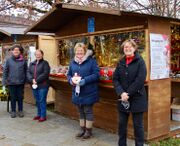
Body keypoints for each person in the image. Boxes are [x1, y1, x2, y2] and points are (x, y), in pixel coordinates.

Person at [113, 39, 147, 146]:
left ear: (134, 48)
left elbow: (140, 80)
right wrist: (121, 92)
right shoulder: (120, 62)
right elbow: (115, 79)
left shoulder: (140, 61)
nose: (127, 49)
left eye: (129, 47)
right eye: (125, 47)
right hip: (123, 98)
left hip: (137, 97)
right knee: (122, 125)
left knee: (138, 126)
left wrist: (127, 93)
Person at [67, 42, 100, 139]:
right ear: (75, 52)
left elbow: (96, 75)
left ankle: (88, 131)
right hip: (77, 91)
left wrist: (85, 80)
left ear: (85, 51)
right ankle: (82, 129)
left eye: (81, 51)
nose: (79, 53)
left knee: (88, 111)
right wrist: (70, 80)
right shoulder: (72, 62)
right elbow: (69, 74)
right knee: (80, 111)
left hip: (88, 91)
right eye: (77, 51)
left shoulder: (91, 61)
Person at [2, 44, 27, 118]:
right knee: (12, 98)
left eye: (17, 50)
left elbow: (26, 71)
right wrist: (4, 82)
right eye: (14, 50)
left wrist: (26, 81)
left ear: (20, 52)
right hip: (11, 83)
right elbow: (5, 72)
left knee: (20, 97)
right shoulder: (8, 60)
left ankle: (20, 110)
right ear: (12, 51)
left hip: (20, 82)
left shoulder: (23, 60)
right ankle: (13, 111)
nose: (16, 51)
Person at [27, 49, 50, 122]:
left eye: (39, 54)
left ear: (42, 55)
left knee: (42, 100)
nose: (38, 55)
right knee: (37, 101)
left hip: (43, 86)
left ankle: (43, 116)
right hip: (34, 85)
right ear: (35, 55)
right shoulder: (32, 63)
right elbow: (28, 73)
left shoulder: (45, 63)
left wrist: (36, 80)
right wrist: (32, 80)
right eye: (36, 54)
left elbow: (45, 74)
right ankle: (39, 114)